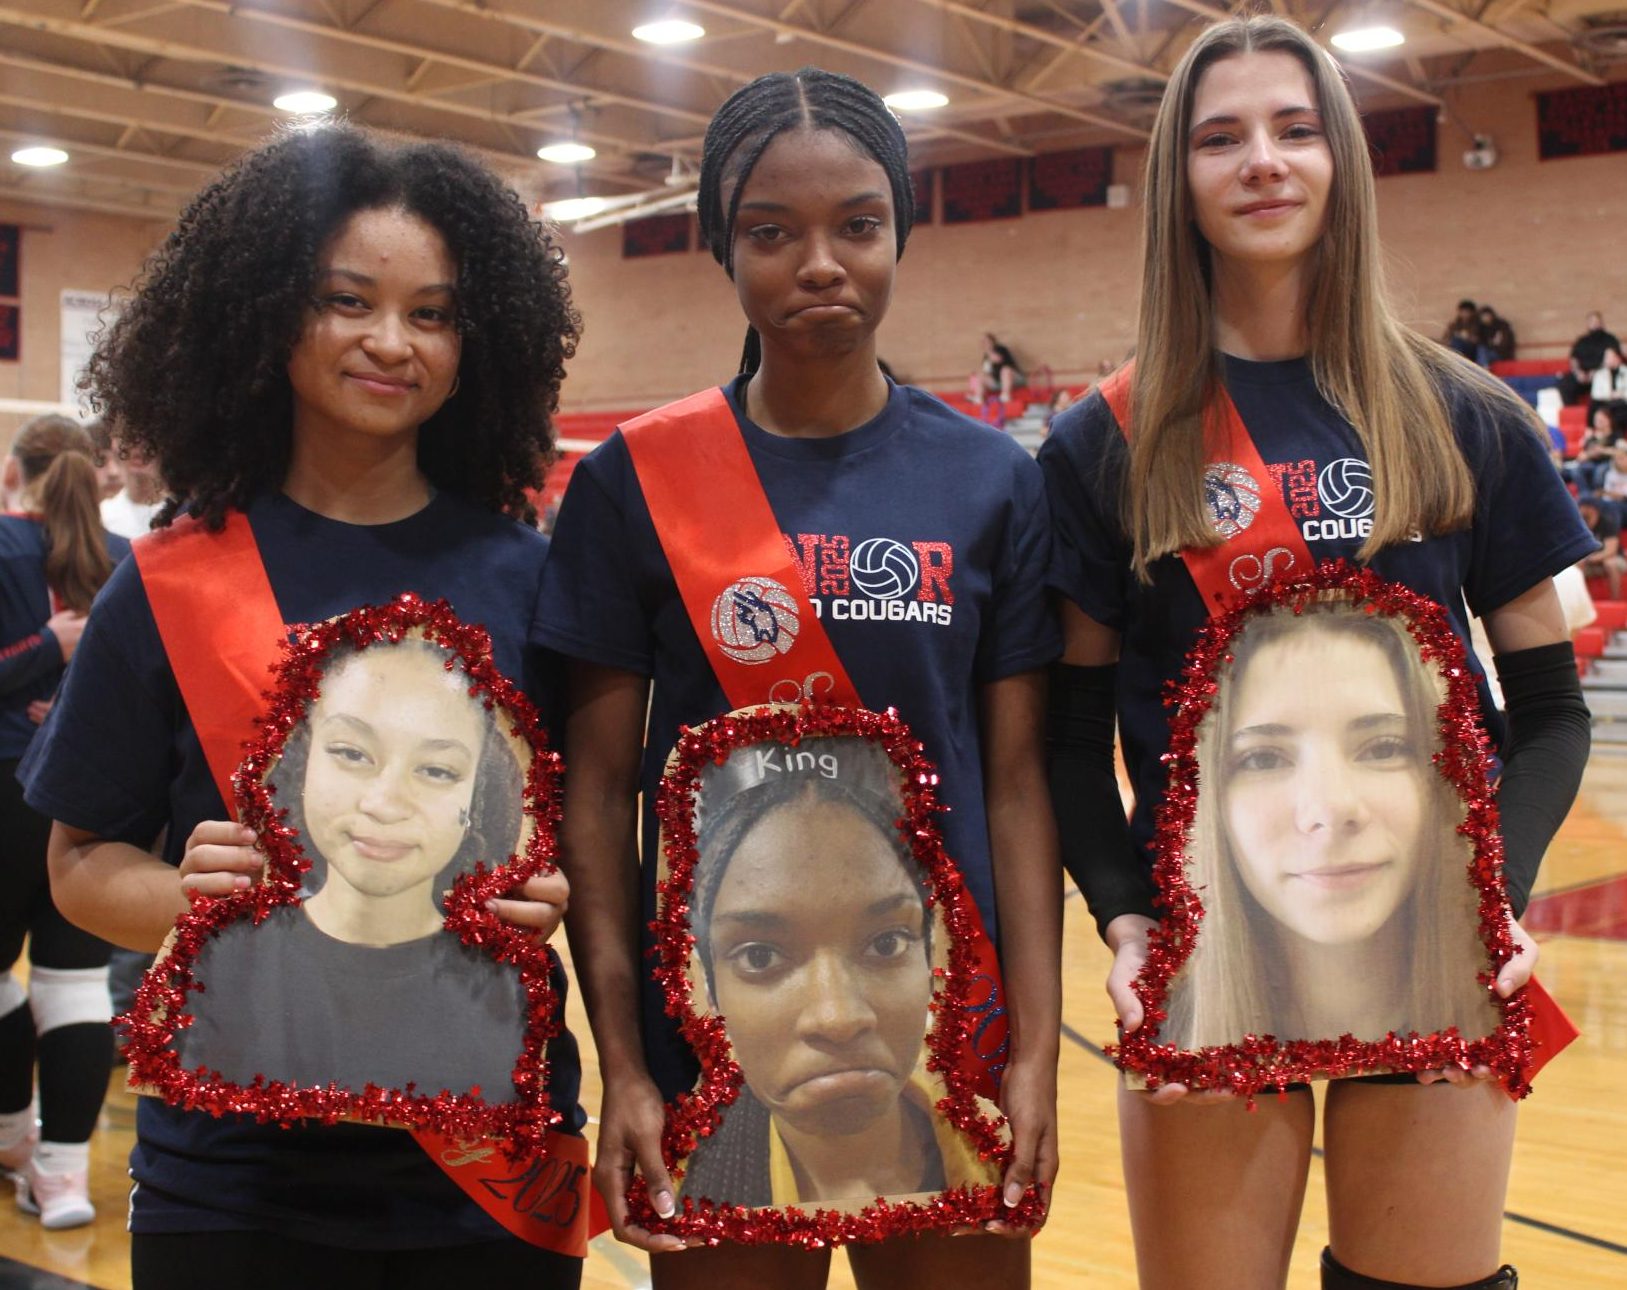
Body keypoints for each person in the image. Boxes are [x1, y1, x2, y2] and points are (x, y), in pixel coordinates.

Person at [1039, 16, 1594, 1290]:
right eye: (1220, 137)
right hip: (1208, 958)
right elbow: (1070, 742)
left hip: (1426, 952)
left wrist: (1486, 894)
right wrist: (1126, 919)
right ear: (1178, 180)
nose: (1262, 163)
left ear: (1339, 157)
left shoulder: (1462, 414)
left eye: (1294, 130)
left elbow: (1553, 712)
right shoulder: (1102, 445)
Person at [18, 124, 587, 1287]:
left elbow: (588, 840)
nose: (392, 342)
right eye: (348, 302)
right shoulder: (167, 579)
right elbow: (77, 860)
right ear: (269, 314)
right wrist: (188, 896)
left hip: (488, 1169)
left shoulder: (534, 580)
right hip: (233, 1182)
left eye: (433, 313)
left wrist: (558, 886)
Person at [538, 66, 1061, 1290]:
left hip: (945, 1026)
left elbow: (1021, 781)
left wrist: (1032, 1048)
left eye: (857, 227)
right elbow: (597, 797)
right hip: (714, 1037)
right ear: (723, 247)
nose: (819, 263)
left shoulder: (991, 481)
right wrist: (623, 1060)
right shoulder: (632, 482)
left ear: (900, 235)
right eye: (772, 233)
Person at [174, 638, 532, 1096]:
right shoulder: (227, 968)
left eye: (437, 771)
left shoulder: (506, 989)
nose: (383, 803)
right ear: (301, 763)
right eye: (352, 753)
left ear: (477, 800)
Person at [677, 736, 1000, 1209]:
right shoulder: (687, 1176)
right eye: (760, 957)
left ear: (932, 955)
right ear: (709, 986)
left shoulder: (990, 1150)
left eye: (886, 943)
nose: (837, 1017)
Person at [1166, 603, 1496, 1050]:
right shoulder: (1172, 1024)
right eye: (1263, 758)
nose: (1330, 808)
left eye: (1383, 749)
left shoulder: (1484, 1007)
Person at [0, 414, 128, 1229]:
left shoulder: (6, 544)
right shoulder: (125, 559)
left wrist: (45, 650)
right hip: (101, 798)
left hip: (10, 789)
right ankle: (62, 1175)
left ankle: (15, 1135)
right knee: (75, 985)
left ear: (19, 470)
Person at [98, 422, 166, 539]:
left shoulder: (186, 514)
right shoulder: (102, 517)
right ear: (114, 443)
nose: (138, 449)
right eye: (129, 437)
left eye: (148, 438)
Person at [1559, 310, 1621, 404]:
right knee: (1565, 382)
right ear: (1588, 324)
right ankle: (1573, 411)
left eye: (1597, 322)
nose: (1595, 324)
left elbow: (1613, 359)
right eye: (1592, 322)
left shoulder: (1610, 339)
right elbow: (1574, 359)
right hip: (1583, 376)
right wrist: (1578, 372)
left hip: (1603, 374)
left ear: (1602, 323)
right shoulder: (1582, 341)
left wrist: (1597, 372)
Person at [1576, 495, 1626, 599]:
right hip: (1591, 561)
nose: (1579, 509)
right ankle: (1581, 601)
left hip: (1615, 558)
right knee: (1575, 568)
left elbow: (1611, 551)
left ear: (1591, 508)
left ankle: (1615, 601)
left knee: (1610, 563)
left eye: (1581, 506)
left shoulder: (1608, 521)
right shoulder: (1580, 524)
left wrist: (1590, 559)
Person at [969, 332, 1026, 405]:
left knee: (1005, 370)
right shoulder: (986, 357)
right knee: (979, 376)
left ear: (992, 342)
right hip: (999, 382)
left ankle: (1005, 396)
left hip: (1014, 379)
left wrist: (988, 350)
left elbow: (997, 359)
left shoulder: (1001, 349)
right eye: (983, 342)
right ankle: (978, 398)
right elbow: (987, 372)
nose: (984, 343)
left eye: (986, 341)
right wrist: (976, 377)